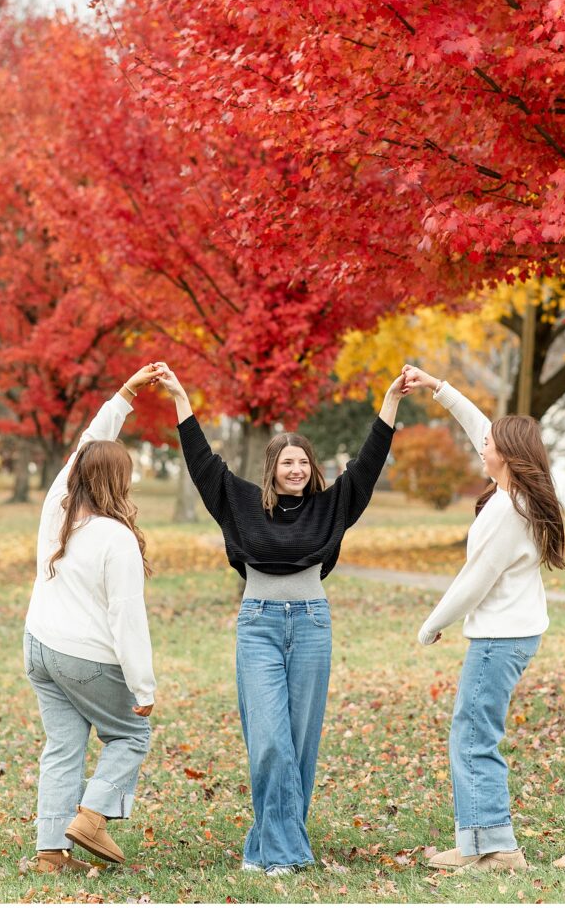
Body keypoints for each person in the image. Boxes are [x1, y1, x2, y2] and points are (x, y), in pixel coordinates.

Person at [154, 360, 405, 876]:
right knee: (268, 740)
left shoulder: (332, 505)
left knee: (300, 743)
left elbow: (370, 462)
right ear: (271, 468)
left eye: (303, 462)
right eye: (286, 462)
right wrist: (181, 399)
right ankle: (286, 852)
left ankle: (267, 850)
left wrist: (391, 404)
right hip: (259, 625)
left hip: (312, 625)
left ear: (313, 468)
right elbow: (202, 462)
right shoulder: (241, 503)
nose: (296, 469)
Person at [401, 363, 565, 874]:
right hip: (513, 633)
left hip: (500, 638)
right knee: (475, 733)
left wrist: (431, 625)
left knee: (473, 736)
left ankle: (492, 849)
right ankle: (484, 844)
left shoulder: (505, 511)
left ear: (507, 456)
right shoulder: (515, 491)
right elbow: (482, 430)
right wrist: (438, 388)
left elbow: (474, 581)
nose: (481, 446)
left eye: (490, 444)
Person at [24, 365, 161, 873]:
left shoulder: (57, 501)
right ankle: (91, 815)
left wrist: (124, 394)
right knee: (130, 736)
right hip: (84, 656)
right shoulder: (116, 537)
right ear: (120, 482)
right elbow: (127, 619)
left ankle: (50, 853)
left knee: (62, 746)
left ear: (79, 472)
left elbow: (90, 439)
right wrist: (142, 688)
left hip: (38, 645)